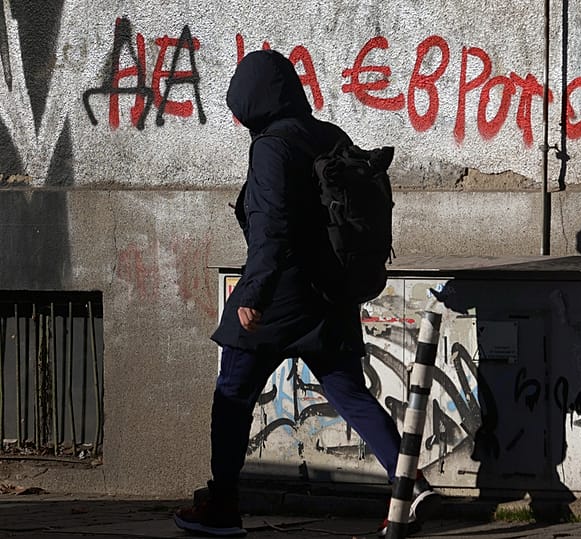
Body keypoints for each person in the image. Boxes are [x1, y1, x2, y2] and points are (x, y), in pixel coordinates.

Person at [173, 49, 439, 537]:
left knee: (232, 392)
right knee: (351, 394)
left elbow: (272, 226)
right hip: (330, 295)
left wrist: (253, 293)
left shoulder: (272, 148)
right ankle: (411, 485)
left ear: (253, 99)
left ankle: (223, 504)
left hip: (280, 297)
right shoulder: (329, 135)